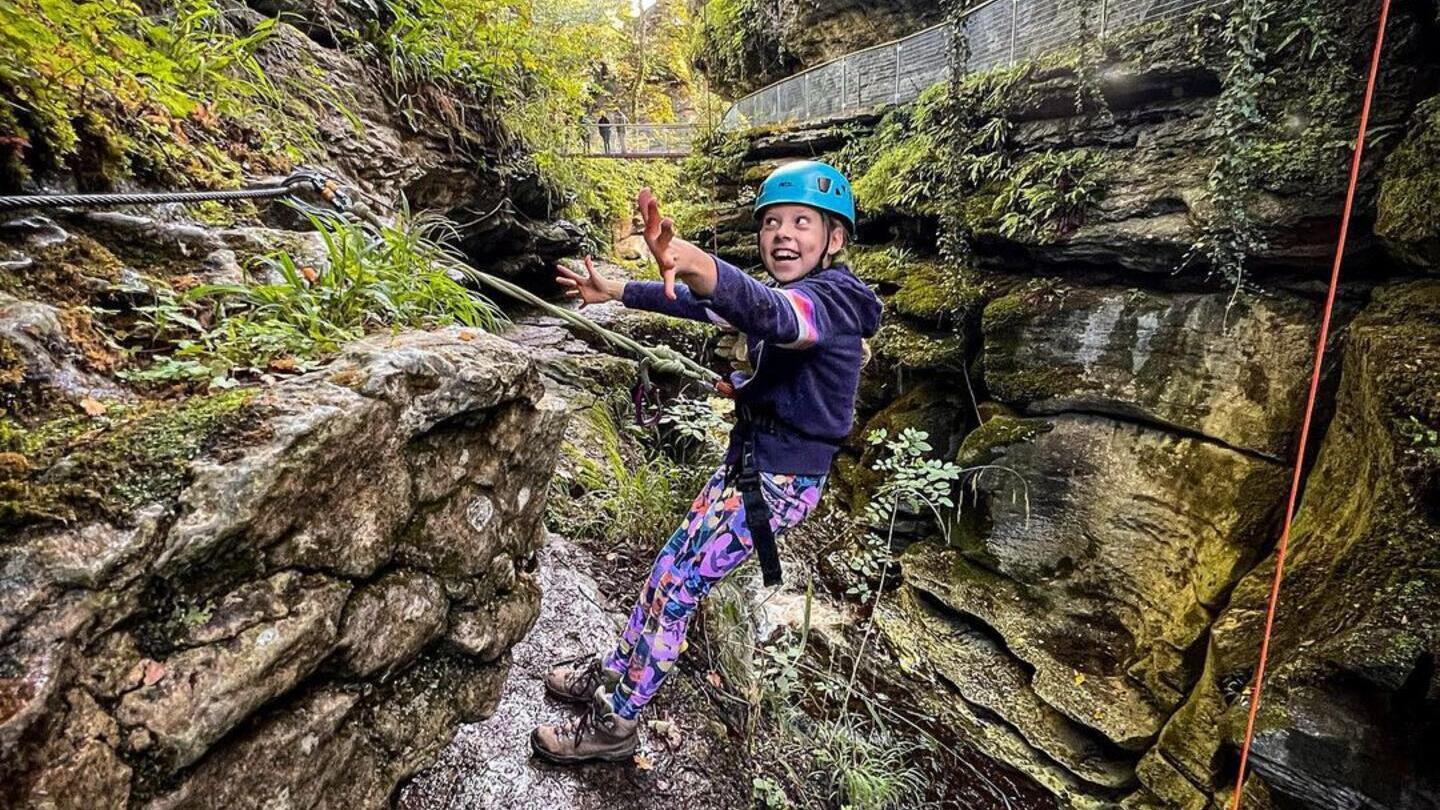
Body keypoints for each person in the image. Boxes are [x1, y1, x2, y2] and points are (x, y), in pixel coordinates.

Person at [532, 161, 882, 764]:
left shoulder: (832, 302)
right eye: (772, 222)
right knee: (667, 568)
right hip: (750, 469)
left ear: (836, 239)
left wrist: (699, 264)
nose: (784, 234)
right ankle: (614, 673)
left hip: (779, 484)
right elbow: (705, 308)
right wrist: (614, 290)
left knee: (678, 592)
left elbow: (777, 317)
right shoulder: (776, 298)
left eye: (803, 221)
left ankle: (617, 724)